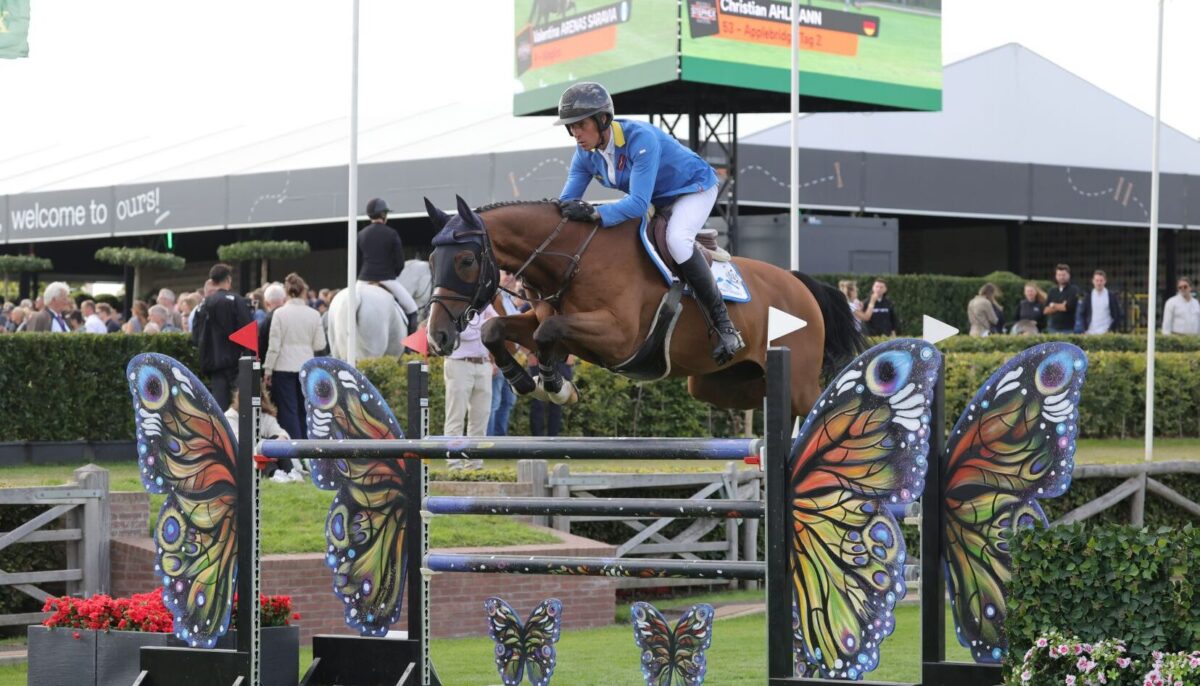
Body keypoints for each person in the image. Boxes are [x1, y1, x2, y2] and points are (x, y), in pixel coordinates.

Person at [554, 82, 743, 365]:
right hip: (659, 199)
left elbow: (638, 204)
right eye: (571, 127)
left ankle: (725, 326)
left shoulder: (640, 139)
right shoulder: (584, 154)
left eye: (581, 125)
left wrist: (594, 213)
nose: (575, 134)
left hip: (693, 189)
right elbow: (566, 204)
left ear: (603, 119)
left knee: (678, 241)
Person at [264, 273, 326, 441]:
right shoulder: (314, 314)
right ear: (303, 291)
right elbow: (320, 344)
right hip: (306, 366)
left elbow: (274, 346)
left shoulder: (279, 314)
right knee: (305, 409)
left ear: (286, 292)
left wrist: (268, 370)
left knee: (288, 411)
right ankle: (308, 446)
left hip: (283, 367)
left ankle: (294, 450)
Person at [192, 263, 254, 410]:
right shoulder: (237, 301)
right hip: (237, 364)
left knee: (220, 409)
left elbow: (195, 337)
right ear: (228, 280)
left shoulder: (203, 305)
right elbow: (248, 334)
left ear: (212, 281)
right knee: (240, 408)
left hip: (214, 365)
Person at [443, 306, 497, 470]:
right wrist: (485, 322)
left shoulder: (486, 305)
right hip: (459, 363)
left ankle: (475, 463)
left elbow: (497, 326)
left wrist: (484, 323)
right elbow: (463, 333)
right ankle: (454, 464)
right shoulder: (457, 306)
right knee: (456, 416)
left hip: (483, 364)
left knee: (481, 416)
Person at [358, 197, 420, 334]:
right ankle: (408, 349)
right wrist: (394, 274)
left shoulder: (361, 234)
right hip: (387, 279)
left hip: (363, 280)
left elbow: (357, 261)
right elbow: (399, 262)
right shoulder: (391, 234)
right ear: (384, 215)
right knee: (412, 309)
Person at [487, 272, 522, 436]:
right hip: (499, 359)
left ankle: (501, 441)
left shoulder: (510, 300)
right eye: (506, 273)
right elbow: (490, 331)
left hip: (511, 360)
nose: (510, 277)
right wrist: (492, 360)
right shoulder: (494, 298)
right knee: (494, 402)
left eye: (513, 274)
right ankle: (491, 443)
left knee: (508, 401)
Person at [1075, 269, 1122, 334]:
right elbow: (1082, 314)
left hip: (1106, 333)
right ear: (1093, 281)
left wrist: (1111, 330)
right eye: (1097, 280)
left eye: (1101, 280)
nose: (1099, 283)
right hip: (1090, 332)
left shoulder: (1111, 296)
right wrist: (1083, 330)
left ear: (1105, 281)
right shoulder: (1088, 296)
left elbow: (1117, 315)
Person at [1044, 264, 1080, 334]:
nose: (1061, 277)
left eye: (1063, 275)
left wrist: (1053, 305)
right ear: (1056, 276)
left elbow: (1067, 307)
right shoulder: (1052, 291)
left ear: (1068, 275)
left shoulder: (1074, 290)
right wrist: (1060, 306)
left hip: (1069, 329)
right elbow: (1046, 310)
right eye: (1059, 275)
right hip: (1053, 328)